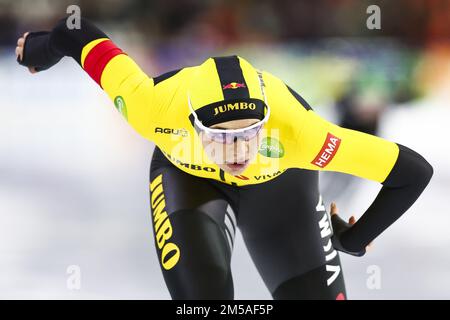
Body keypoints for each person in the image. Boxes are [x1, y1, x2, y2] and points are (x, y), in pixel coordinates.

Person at [15, 17, 433, 300]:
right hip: (189, 178)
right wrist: (43, 48)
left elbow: (413, 173)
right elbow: (76, 32)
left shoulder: (302, 135)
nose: (236, 152)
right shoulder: (150, 107)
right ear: (192, 126)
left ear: (265, 125)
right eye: (219, 137)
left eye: (249, 135)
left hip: (281, 184)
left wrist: (354, 240)